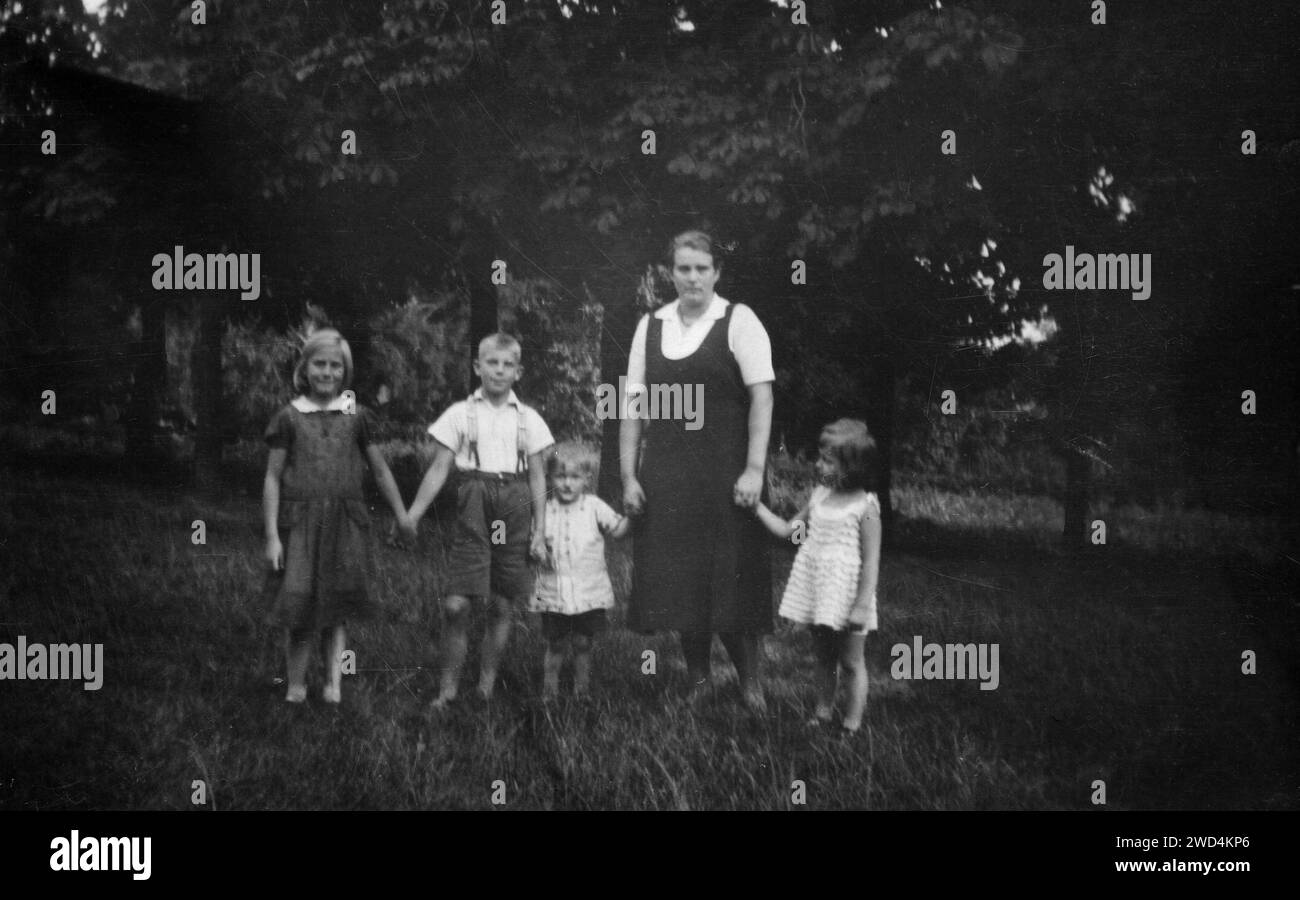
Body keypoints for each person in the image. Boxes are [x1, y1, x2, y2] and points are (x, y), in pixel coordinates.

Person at [620, 230, 775, 712]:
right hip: (667, 474)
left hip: (726, 473)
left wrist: (753, 469)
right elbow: (632, 407)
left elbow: (762, 397)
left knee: (732, 578)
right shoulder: (651, 325)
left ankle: (751, 686)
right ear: (671, 272)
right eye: (683, 268)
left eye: (701, 269)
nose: (691, 278)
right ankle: (700, 681)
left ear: (716, 273)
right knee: (682, 583)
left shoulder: (738, 320)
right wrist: (629, 476)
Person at [404, 333, 554, 709]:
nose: (499, 371)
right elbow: (439, 468)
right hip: (473, 499)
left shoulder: (529, 419)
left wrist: (540, 531)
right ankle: (448, 690)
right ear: (477, 367)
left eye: (507, 365)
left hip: (514, 503)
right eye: (492, 363)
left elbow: (538, 478)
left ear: (518, 372)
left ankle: (485, 686)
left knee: (502, 604)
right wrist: (413, 514)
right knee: (456, 604)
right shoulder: (460, 413)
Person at [262, 328, 411, 704]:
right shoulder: (289, 417)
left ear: (344, 372)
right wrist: (272, 536)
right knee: (298, 607)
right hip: (299, 525)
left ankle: (334, 683)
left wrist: (402, 514)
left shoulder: (358, 416)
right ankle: (295, 685)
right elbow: (272, 477)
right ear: (304, 368)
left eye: (335, 366)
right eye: (319, 364)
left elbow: (379, 471)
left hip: (345, 524)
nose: (326, 373)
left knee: (337, 610)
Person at [754, 419, 882, 733]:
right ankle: (822, 712)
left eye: (827, 460)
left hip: (849, 595)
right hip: (820, 591)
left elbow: (871, 562)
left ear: (852, 468)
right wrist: (754, 508)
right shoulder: (819, 497)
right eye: (820, 457)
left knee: (851, 662)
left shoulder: (866, 507)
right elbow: (788, 531)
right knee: (823, 658)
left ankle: (851, 723)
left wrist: (862, 605)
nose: (818, 463)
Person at [529, 442, 630, 701]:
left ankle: (581, 690)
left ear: (586, 479)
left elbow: (618, 530)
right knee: (556, 643)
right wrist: (537, 550)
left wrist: (634, 515)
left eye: (574, 477)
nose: (567, 483)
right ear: (550, 477)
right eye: (560, 476)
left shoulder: (594, 506)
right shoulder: (545, 510)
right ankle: (549, 692)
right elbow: (533, 543)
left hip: (588, 590)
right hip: (554, 592)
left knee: (583, 643)